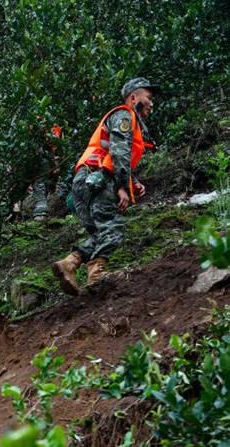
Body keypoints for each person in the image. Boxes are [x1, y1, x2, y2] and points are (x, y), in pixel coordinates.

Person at [52, 78, 158, 294]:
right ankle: (97, 275)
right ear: (133, 98)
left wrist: (133, 182)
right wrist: (122, 187)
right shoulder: (124, 115)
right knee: (114, 228)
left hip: (85, 180)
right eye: (148, 97)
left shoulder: (124, 118)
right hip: (99, 180)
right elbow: (118, 153)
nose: (151, 103)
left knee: (99, 232)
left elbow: (112, 155)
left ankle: (69, 264)